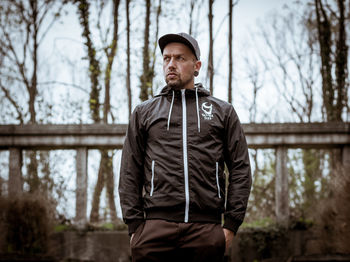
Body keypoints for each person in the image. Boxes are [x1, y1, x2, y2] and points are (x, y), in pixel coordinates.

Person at [119, 32, 251, 262]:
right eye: (166, 58)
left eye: (180, 58)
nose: (171, 64)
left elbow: (240, 169)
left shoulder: (223, 112)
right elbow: (129, 171)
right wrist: (135, 228)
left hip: (206, 231)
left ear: (196, 66)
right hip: (154, 232)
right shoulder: (144, 112)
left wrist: (230, 226)